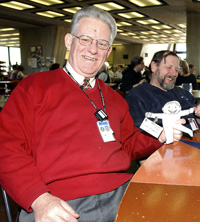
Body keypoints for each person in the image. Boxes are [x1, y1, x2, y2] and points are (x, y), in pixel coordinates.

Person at [0, 8, 183, 222]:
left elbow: (129, 145)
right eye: (85, 39)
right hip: (58, 201)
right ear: (69, 41)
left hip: (120, 192)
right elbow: (6, 147)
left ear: (108, 51)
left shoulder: (114, 98)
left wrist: (159, 136)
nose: (93, 49)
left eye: (102, 44)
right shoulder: (34, 87)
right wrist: (38, 198)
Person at [125, 50, 200, 131]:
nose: (174, 74)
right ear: (154, 66)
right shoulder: (137, 97)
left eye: (177, 70)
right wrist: (165, 133)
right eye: (169, 67)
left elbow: (195, 123)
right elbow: (137, 133)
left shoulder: (184, 94)